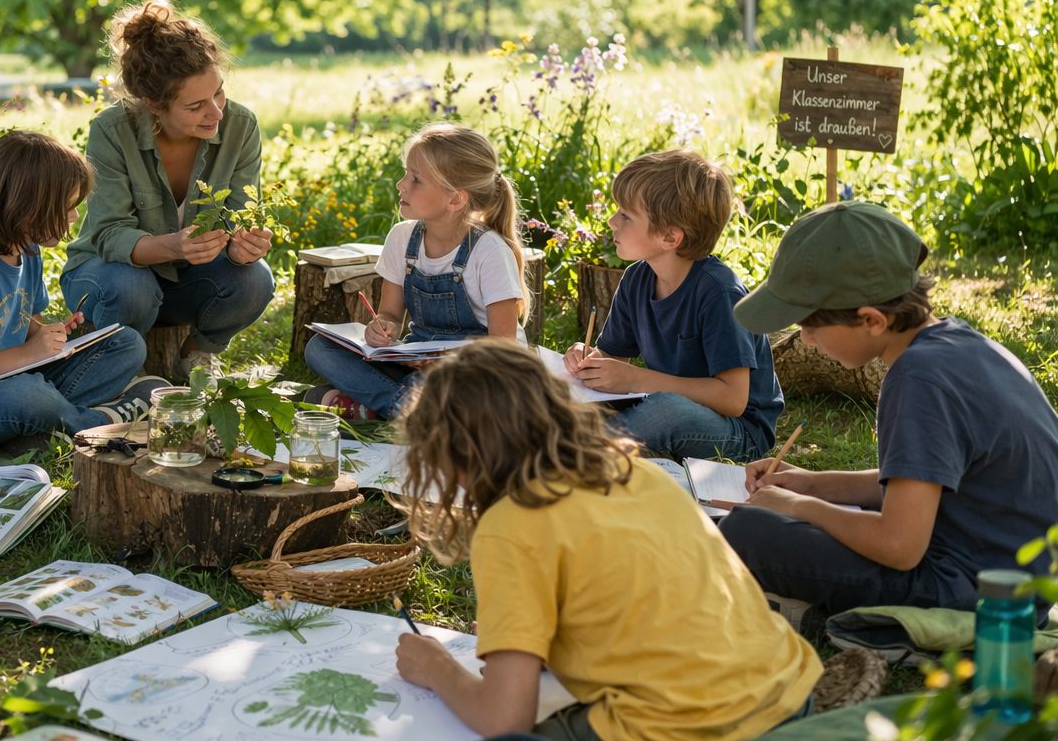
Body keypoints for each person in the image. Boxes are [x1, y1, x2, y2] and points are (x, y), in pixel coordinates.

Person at [393, 340, 820, 741]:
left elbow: (504, 719)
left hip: (698, 736)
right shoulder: (640, 472)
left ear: (458, 456)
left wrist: (437, 667)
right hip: (788, 692)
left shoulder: (511, 523)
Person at [718, 201, 1058, 617]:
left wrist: (797, 507)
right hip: (1018, 575)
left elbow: (898, 547)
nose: (805, 340)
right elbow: (921, 483)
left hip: (977, 591)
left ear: (872, 321)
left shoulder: (917, 380)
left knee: (747, 531)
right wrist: (813, 484)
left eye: (811, 326)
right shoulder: (957, 345)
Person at [0, 131, 162, 451]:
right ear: (26, 207)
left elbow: (21, 319)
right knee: (29, 396)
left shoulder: (27, 250)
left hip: (5, 380)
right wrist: (27, 354)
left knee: (126, 344)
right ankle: (94, 425)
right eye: (66, 207)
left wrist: (46, 333)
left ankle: (41, 428)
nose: (75, 216)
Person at [59, 0, 275, 380]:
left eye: (219, 92)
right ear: (154, 105)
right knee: (132, 286)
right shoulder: (112, 131)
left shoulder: (240, 126)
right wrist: (174, 246)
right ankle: (123, 368)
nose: (216, 112)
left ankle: (194, 358)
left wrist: (244, 248)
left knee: (256, 279)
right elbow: (109, 236)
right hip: (109, 279)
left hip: (187, 283)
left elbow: (241, 214)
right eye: (196, 106)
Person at [564, 149, 782, 461]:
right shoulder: (636, 278)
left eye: (625, 215)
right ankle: (603, 439)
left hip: (737, 430)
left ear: (670, 237)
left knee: (666, 410)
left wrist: (639, 380)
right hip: (660, 403)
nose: (612, 221)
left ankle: (583, 449)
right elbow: (612, 356)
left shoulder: (720, 294)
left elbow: (733, 399)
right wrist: (586, 359)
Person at [303, 123, 527, 420]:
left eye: (416, 179)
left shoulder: (489, 251)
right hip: (415, 360)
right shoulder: (402, 237)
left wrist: (443, 361)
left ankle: (381, 406)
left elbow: (503, 347)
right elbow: (390, 314)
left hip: (479, 371)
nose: (401, 184)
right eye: (406, 173)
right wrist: (383, 329)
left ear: (455, 199)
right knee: (319, 349)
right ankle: (416, 411)